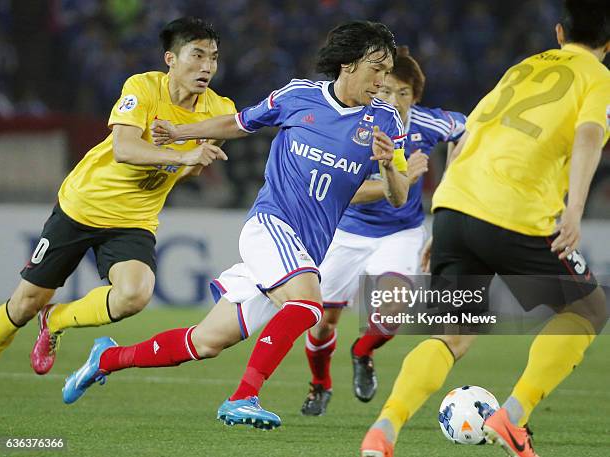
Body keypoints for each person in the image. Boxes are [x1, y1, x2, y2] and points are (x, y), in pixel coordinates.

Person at [61, 21, 420, 430]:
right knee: (307, 305)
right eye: (376, 68)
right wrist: (181, 131)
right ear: (349, 64)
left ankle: (105, 359)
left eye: (387, 70)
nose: (382, 80)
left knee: (206, 342)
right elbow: (239, 122)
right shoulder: (298, 96)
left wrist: (390, 164)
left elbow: (399, 195)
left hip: (306, 248)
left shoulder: (388, 122)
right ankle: (243, 397)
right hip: (271, 226)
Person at [361, 1, 609, 456]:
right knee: (589, 308)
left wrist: (443, 223)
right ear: (608, 45)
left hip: (456, 206)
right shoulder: (597, 77)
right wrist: (575, 209)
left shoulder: (520, 70)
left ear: (558, 33)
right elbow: (590, 134)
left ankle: (385, 428)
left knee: (452, 335)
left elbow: (467, 137)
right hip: (515, 212)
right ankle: (513, 417)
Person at [0, 17, 234, 374]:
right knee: (23, 305)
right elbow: (124, 148)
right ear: (170, 58)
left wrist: (191, 164)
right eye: (197, 55)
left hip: (133, 220)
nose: (207, 67)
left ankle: (57, 319)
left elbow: (193, 167)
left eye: (213, 58)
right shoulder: (143, 87)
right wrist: (181, 155)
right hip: (83, 205)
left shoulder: (220, 111)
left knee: (134, 295)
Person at [301, 46, 466, 416]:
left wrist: (452, 175)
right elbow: (344, 191)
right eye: (388, 91)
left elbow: (470, 127)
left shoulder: (426, 124)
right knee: (323, 320)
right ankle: (320, 385)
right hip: (346, 230)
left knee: (394, 309)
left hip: (400, 232)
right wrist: (405, 177)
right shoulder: (353, 124)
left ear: (415, 97)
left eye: (404, 93)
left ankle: (362, 351)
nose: (395, 100)